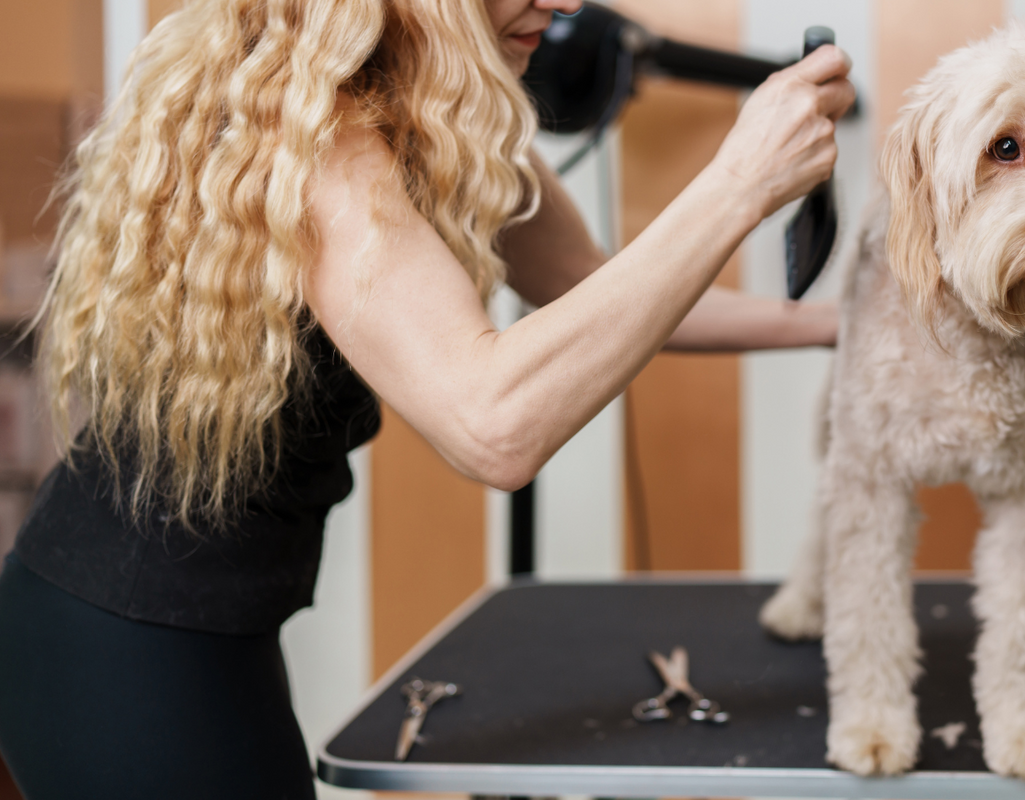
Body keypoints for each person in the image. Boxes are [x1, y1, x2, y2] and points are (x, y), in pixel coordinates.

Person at [0, 0, 854, 796]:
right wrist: (737, 184)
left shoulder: (449, 122)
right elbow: (493, 429)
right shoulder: (327, 147)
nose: (562, 4)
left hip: (212, 619)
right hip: (119, 630)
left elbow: (591, 283)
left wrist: (845, 324)